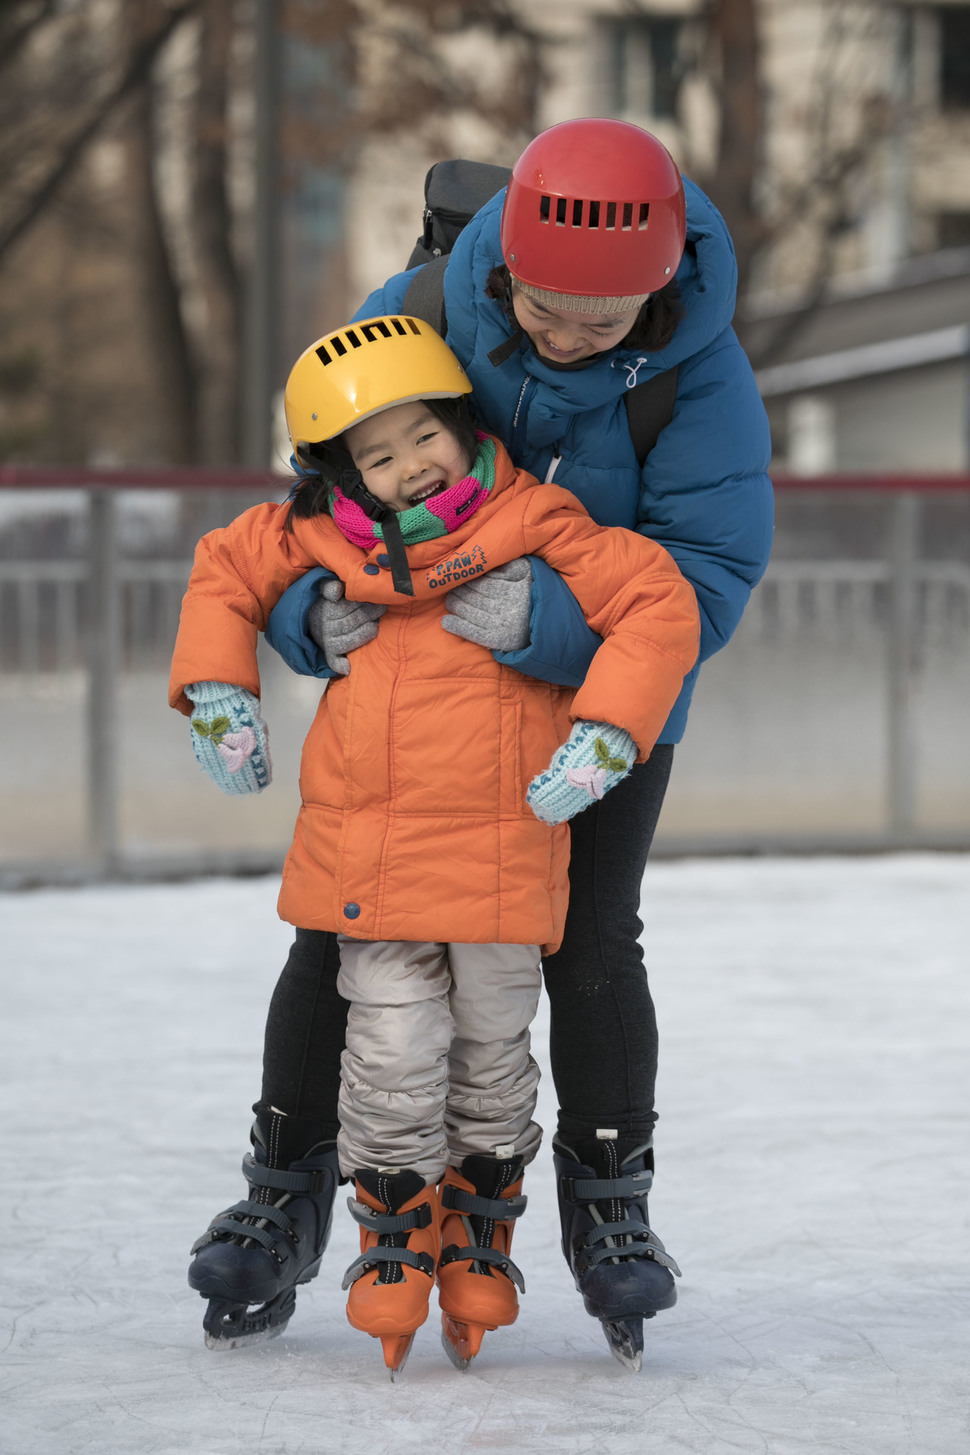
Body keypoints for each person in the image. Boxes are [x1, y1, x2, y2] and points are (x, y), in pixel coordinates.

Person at [191, 116, 774, 1372]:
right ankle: (286, 1187)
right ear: (504, 258)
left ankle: (612, 1201)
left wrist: (549, 627)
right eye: (545, 307)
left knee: (589, 934)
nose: (566, 336)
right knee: (342, 932)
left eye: (602, 320)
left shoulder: (701, 376)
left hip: (596, 707)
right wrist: (310, 618)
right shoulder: (415, 305)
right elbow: (319, 496)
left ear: (660, 284)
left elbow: (710, 576)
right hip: (408, 691)